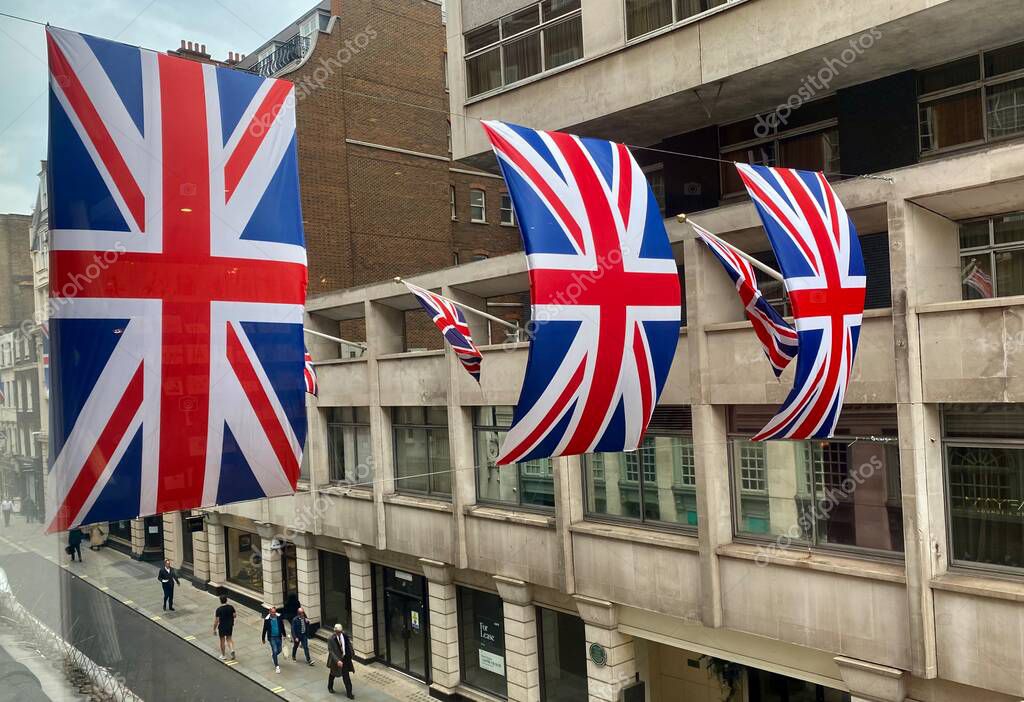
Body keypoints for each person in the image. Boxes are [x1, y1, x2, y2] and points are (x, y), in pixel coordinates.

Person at [326, 623, 354, 698]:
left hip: (344, 659)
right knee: (333, 674)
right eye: (337, 632)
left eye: (340, 632)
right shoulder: (331, 639)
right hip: (336, 661)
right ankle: (330, 686)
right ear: (335, 631)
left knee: (346, 676)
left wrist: (351, 653)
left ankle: (349, 693)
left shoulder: (344, 635)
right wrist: (337, 661)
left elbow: (348, 644)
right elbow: (331, 651)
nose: (339, 633)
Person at [261, 607, 286, 673]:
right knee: (274, 650)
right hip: (272, 637)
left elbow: (282, 626)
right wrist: (263, 638)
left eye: (274, 612)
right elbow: (264, 629)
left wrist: (284, 634)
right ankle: (277, 666)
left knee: (279, 650)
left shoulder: (279, 617)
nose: (273, 613)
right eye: (272, 612)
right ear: (269, 612)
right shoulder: (267, 620)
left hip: (278, 636)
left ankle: (273, 656)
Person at [213, 596, 236, 661]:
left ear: (220, 601)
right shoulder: (231, 607)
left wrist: (214, 629)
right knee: (229, 638)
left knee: (222, 641)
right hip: (230, 626)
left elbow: (216, 621)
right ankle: (232, 650)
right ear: (226, 600)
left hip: (222, 626)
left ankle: (223, 655)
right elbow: (234, 615)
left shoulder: (219, 609)